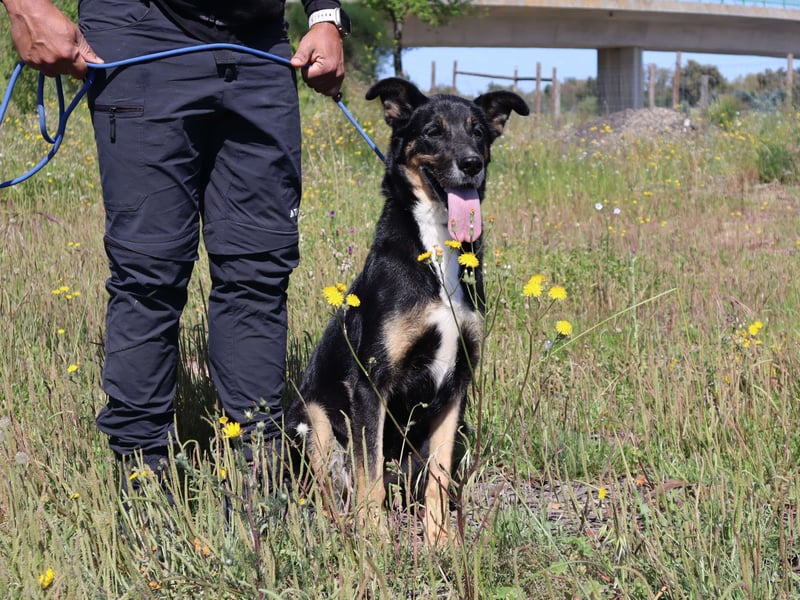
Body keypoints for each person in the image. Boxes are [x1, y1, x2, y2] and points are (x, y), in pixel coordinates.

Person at [3, 0, 347, 482]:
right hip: (143, 30)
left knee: (259, 270)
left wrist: (325, 16)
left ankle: (259, 482)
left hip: (259, 42)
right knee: (149, 271)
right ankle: (143, 480)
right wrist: (27, 7)